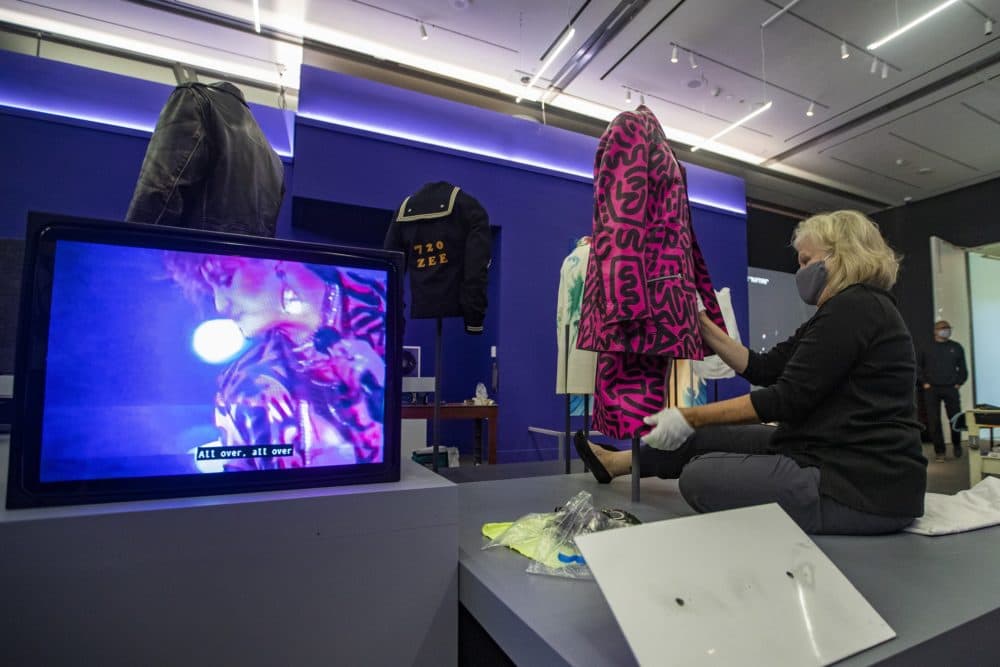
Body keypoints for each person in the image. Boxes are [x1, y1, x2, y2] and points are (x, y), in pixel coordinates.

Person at [575, 210, 927, 535]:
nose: (800, 271)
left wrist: (688, 415)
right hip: (826, 448)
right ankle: (616, 463)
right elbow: (763, 368)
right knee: (699, 438)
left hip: (860, 486)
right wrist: (701, 322)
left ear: (841, 256)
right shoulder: (844, 311)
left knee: (700, 477)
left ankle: (637, 460)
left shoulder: (856, 309)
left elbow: (784, 399)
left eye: (807, 261)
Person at [164, 252, 387, 469]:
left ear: (274, 261)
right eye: (211, 289)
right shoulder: (241, 387)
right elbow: (242, 494)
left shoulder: (384, 309)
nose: (220, 306)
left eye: (226, 279)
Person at [919, 320, 968, 462]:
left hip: (951, 388)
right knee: (934, 421)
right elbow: (917, 366)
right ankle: (939, 451)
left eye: (948, 328)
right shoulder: (926, 347)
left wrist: (959, 383)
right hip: (932, 389)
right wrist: (925, 383)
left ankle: (957, 444)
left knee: (956, 419)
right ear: (935, 331)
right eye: (942, 328)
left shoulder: (956, 347)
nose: (945, 330)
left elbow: (963, 369)